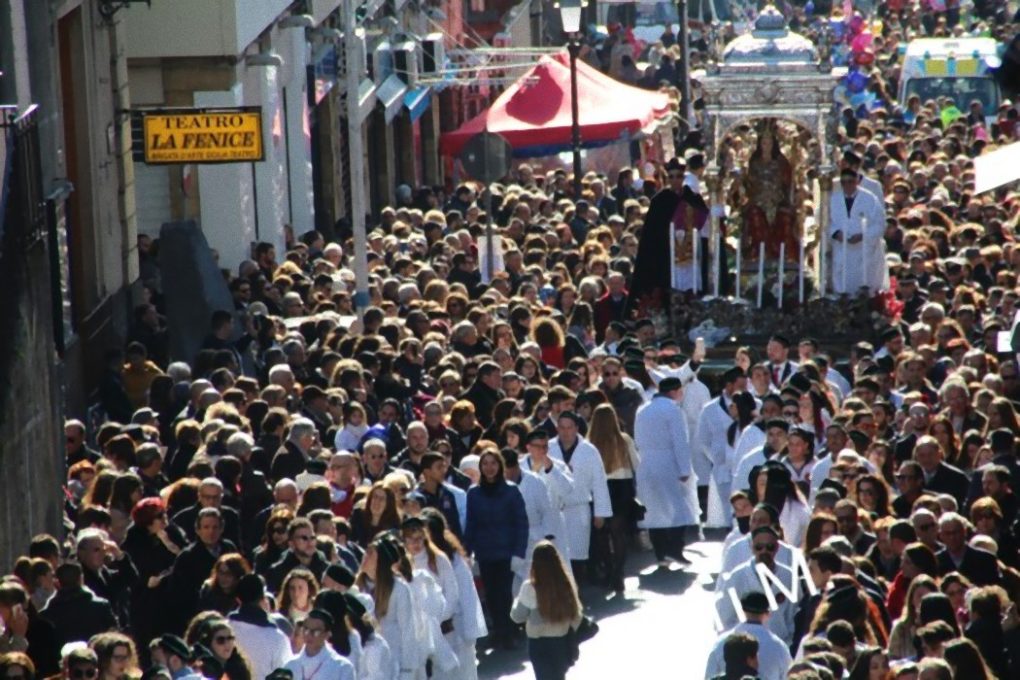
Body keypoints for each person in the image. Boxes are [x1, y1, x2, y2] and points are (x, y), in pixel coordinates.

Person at [464, 450, 528, 649]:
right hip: (485, 553)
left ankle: (509, 630)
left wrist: (519, 552)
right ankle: (499, 631)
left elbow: (521, 523)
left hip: (506, 551)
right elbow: (471, 524)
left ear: (500, 466)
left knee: (505, 593)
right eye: (485, 464)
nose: (489, 468)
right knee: (491, 595)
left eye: (493, 463)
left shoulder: (511, 490)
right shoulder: (474, 493)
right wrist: (467, 552)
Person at [635, 377, 698, 567]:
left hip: (645, 463)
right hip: (667, 463)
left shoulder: (643, 409)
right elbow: (680, 441)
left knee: (654, 511)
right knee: (681, 509)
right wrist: (685, 468)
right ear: (674, 391)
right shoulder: (673, 410)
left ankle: (661, 554)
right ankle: (674, 550)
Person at [547, 412, 611, 582]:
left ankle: (576, 591)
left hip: (579, 508)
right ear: (557, 428)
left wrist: (600, 512)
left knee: (577, 554)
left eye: (569, 427)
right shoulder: (548, 448)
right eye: (562, 427)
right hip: (554, 509)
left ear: (576, 428)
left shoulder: (589, 450)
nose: (566, 432)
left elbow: (599, 482)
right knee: (556, 555)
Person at [510, 541, 582, 680]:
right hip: (561, 641)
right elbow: (576, 614)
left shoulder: (530, 588)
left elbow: (517, 616)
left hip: (538, 644)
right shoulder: (566, 583)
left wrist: (516, 601)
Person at [829, 167, 888, 295]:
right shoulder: (834, 200)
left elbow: (880, 223)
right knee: (842, 280)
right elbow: (826, 221)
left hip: (864, 249)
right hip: (842, 247)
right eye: (844, 182)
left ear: (856, 181)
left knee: (864, 280)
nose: (847, 185)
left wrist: (863, 235)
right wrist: (835, 233)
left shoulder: (870, 198)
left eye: (850, 181)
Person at [704, 592, 791, 680]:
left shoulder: (721, 643)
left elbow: (709, 675)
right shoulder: (780, 647)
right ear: (768, 614)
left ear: (741, 610)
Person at [283, 609, 355, 680]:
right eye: (306, 629)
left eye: (316, 632)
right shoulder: (290, 665)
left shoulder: (342, 667)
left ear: (327, 634)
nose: (309, 635)